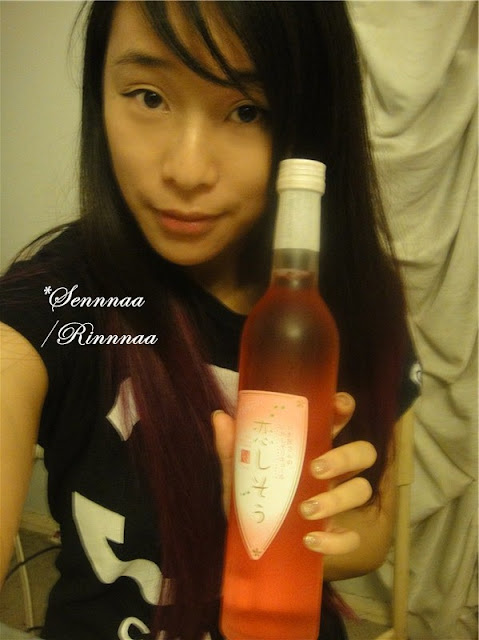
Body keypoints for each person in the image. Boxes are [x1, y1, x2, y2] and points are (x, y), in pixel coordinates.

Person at [0, 2, 420, 639]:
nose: (187, 172)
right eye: (148, 97)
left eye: (247, 110)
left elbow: (371, 538)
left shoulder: (355, 300)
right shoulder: (70, 302)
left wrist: (299, 524)